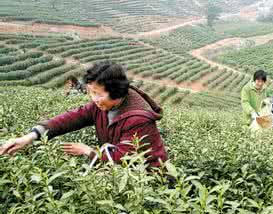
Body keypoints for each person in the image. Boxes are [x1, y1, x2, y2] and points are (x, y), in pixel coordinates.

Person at [0, 62, 168, 167]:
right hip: (118, 169)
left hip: (146, 177)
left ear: (117, 93)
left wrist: (88, 151)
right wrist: (31, 136)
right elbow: (71, 118)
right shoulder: (101, 106)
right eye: (91, 92)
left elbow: (124, 158)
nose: (93, 99)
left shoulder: (138, 119)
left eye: (98, 94)